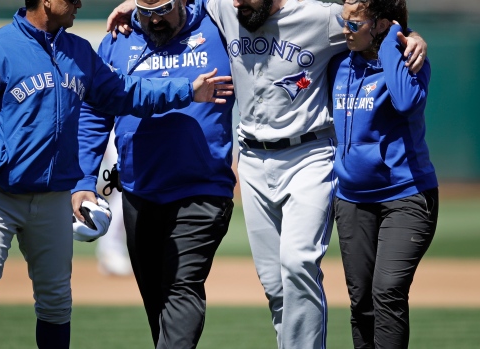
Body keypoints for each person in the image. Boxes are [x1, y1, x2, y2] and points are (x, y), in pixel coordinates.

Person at [105, 0, 428, 348]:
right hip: (254, 161)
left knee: (298, 263)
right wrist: (136, 7)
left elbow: (369, 22)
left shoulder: (318, 17)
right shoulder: (225, 8)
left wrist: (410, 36)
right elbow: (180, 5)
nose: (239, 2)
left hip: (309, 153)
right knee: (275, 286)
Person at [0, 0, 233, 347]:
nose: (79, 2)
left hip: (60, 198)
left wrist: (187, 90)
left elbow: (125, 92)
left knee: (57, 304)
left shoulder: (78, 51)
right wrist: (10, 163)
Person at [71, 0, 236, 347]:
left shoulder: (219, 24)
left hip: (202, 190)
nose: (155, 19)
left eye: (163, 8)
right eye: (146, 11)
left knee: (181, 287)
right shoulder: (119, 39)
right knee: (157, 303)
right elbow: (94, 112)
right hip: (138, 191)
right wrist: (85, 179)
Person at [328, 0, 438, 347]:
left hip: (406, 196)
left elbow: (405, 101)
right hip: (351, 200)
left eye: (355, 23)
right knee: (361, 303)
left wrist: (395, 37)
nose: (346, 29)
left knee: (387, 292)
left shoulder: (409, 60)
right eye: (343, 21)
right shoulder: (339, 63)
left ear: (380, 24)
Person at [94, 132, 133, 276]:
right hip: (118, 126)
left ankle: (111, 251)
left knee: (125, 191)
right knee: (123, 190)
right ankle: (110, 251)